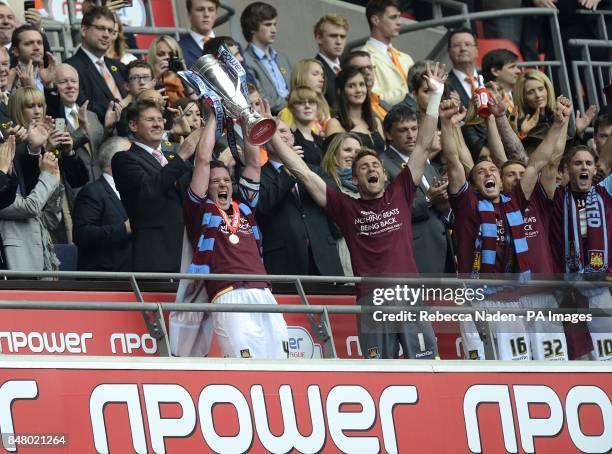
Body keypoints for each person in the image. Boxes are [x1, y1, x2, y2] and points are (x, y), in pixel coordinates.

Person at [270, 62, 448, 360]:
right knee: (379, 370)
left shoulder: (400, 192)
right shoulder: (346, 207)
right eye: (363, 167)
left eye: (375, 165)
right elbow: (303, 173)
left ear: (386, 174)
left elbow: (423, 145)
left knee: (424, 364)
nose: (370, 169)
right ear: (355, 179)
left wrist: (435, 96)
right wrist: (270, 131)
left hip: (408, 295)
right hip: (372, 300)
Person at [442, 95, 569, 360]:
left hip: (510, 301)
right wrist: (447, 124)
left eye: (493, 170)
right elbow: (454, 160)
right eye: (481, 172)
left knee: (519, 367)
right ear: (474, 185)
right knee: (483, 372)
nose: (488, 173)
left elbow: (536, 163)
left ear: (501, 181)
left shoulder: (516, 203)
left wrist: (558, 124)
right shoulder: (467, 206)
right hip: (476, 301)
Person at [184, 103, 289, 359]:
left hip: (263, 292)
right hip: (228, 294)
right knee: (246, 364)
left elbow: (253, 164)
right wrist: (212, 117)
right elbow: (202, 159)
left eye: (226, 180)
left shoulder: (245, 206)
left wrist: (245, 117)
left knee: (282, 363)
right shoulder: (198, 211)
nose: (222, 184)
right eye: (215, 181)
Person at [111, 99, 200, 272]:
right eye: (150, 120)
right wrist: (181, 156)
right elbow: (148, 192)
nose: (158, 124)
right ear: (133, 125)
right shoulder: (124, 159)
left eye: (160, 120)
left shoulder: (171, 157)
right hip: (155, 254)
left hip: (187, 250)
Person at [257, 120, 343, 277]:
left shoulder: (316, 170)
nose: (279, 136)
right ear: (263, 144)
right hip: (284, 264)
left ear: (292, 136)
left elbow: (335, 200)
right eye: (273, 133)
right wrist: (290, 170)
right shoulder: (257, 175)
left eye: (283, 131)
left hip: (325, 260)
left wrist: (299, 168)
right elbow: (262, 207)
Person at [551, 145, 612, 361]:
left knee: (607, 353)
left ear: (595, 170)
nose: (583, 167)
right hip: (567, 289)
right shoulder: (556, 197)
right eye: (578, 163)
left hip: (600, 287)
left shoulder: (605, 192)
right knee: (579, 356)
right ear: (568, 168)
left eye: (588, 163)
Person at [380, 104, 455, 274]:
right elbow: (389, 211)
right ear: (388, 134)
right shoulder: (382, 165)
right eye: (403, 130)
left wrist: (445, 205)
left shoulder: (425, 162)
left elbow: (440, 206)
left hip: (443, 247)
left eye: (414, 128)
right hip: (415, 253)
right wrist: (429, 201)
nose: (411, 135)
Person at [73, 136, 132, 271]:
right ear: (114, 162)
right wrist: (124, 229)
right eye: (130, 157)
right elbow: (81, 234)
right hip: (105, 280)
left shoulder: (135, 191)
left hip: (137, 278)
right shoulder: (92, 192)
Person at [65, 6, 126, 124]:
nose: (106, 35)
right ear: (84, 30)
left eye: (110, 30)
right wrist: (125, 108)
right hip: (100, 137)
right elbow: (84, 107)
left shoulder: (118, 66)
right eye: (101, 28)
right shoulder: (71, 67)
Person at [358, 0, 414, 107]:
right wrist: (411, 91)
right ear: (375, 20)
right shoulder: (363, 57)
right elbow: (375, 99)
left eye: (399, 17)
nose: (399, 22)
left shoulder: (406, 58)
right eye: (393, 17)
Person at [320, 132, 361, 276]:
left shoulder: (369, 186)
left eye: (358, 152)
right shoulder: (326, 184)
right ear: (333, 154)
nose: (354, 155)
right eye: (347, 150)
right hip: (340, 254)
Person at [241, 2, 291, 115]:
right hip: (272, 118)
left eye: (275, 24)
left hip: (296, 115)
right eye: (268, 25)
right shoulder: (244, 61)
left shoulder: (283, 58)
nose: (274, 30)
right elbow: (259, 98)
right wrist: (293, 104)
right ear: (252, 28)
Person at [326, 65, 385, 154]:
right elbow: (335, 161)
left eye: (362, 85)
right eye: (351, 86)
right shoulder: (335, 123)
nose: (358, 90)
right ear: (340, 91)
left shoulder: (375, 122)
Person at [277, 59, 331, 136]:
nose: (322, 79)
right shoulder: (288, 112)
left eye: (322, 75)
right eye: (315, 74)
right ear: (300, 76)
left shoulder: (324, 108)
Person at [314, 13, 349, 108]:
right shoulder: (312, 71)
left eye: (342, 37)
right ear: (319, 38)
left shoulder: (349, 68)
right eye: (333, 36)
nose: (339, 42)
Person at [342, 50, 389, 122]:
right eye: (360, 69)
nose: (367, 72)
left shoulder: (380, 101)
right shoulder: (348, 112)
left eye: (370, 68)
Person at [285, 86, 325, 166]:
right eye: (300, 102)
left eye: (312, 102)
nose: (307, 106)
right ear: (291, 108)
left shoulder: (321, 141)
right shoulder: (288, 140)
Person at [147, 36, 188, 105]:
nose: (167, 57)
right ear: (153, 57)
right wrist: (156, 77)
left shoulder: (185, 80)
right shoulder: (146, 81)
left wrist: (187, 78)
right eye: (161, 54)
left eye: (172, 54)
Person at [446, 28, 480, 109]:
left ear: (477, 50)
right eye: (457, 45)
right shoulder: (444, 85)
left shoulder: (490, 79)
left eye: (468, 44)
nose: (463, 49)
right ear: (449, 52)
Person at [179, 0, 219, 68]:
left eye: (211, 9)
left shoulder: (233, 46)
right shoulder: (178, 49)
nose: (206, 14)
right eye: (200, 9)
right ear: (189, 14)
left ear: (216, 14)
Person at [481, 49, 521, 115]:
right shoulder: (485, 100)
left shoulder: (520, 95)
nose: (518, 71)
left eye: (517, 67)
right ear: (495, 71)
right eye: (512, 67)